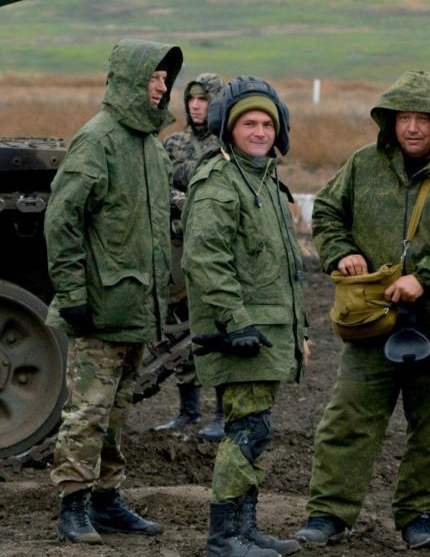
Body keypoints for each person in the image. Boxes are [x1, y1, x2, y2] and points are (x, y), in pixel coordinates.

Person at [295, 70, 430, 550]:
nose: (411, 128)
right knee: (347, 422)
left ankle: (419, 518)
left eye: (422, 119)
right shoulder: (363, 165)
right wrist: (340, 250)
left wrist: (424, 277)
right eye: (402, 117)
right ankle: (328, 514)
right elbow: (325, 211)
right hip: (373, 324)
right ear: (389, 122)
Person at [46, 38, 182, 544]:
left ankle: (106, 500)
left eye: (165, 78)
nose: (163, 86)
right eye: (154, 77)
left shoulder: (149, 146)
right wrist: (73, 294)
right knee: (87, 411)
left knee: (117, 411)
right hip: (100, 310)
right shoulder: (97, 139)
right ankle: (73, 506)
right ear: (129, 79)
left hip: (136, 308)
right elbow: (62, 222)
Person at [183, 77, 308, 557]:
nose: (259, 132)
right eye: (248, 123)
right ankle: (224, 538)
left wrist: (300, 333)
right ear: (228, 130)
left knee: (257, 429)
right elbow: (204, 258)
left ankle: (246, 528)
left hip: (268, 332)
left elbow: (282, 269)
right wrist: (235, 322)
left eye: (266, 124)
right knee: (246, 430)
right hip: (241, 333)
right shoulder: (220, 182)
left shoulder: (265, 183)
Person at [160, 72, 227, 439]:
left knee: (215, 329)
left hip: (214, 252)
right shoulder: (173, 144)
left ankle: (220, 413)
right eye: (192, 99)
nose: (197, 106)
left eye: (204, 100)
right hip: (177, 249)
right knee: (179, 330)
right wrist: (190, 205)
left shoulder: (228, 146)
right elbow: (160, 191)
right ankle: (188, 411)